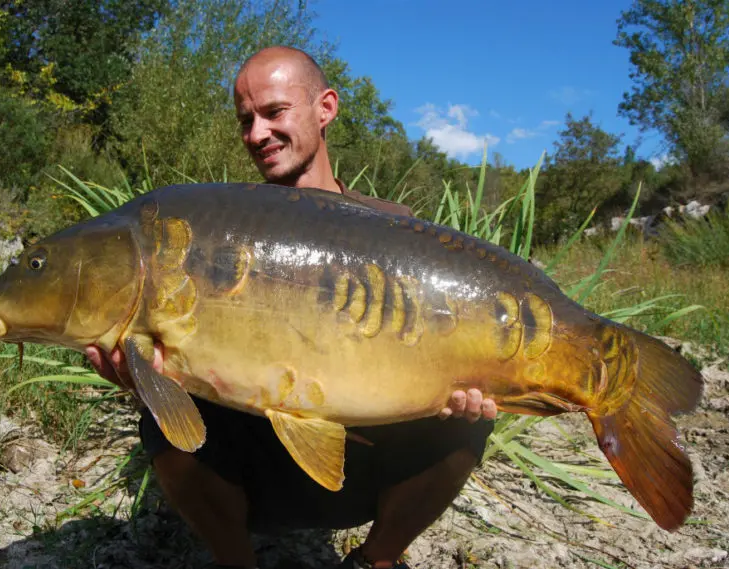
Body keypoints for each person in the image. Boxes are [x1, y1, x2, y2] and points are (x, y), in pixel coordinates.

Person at [85, 46, 498, 569]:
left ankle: (377, 559)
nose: (256, 134)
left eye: (274, 112)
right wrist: (148, 379)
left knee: (467, 425)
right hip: (251, 472)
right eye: (245, 120)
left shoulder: (393, 228)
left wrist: (458, 390)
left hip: (362, 465)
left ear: (325, 108)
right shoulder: (226, 228)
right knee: (159, 424)